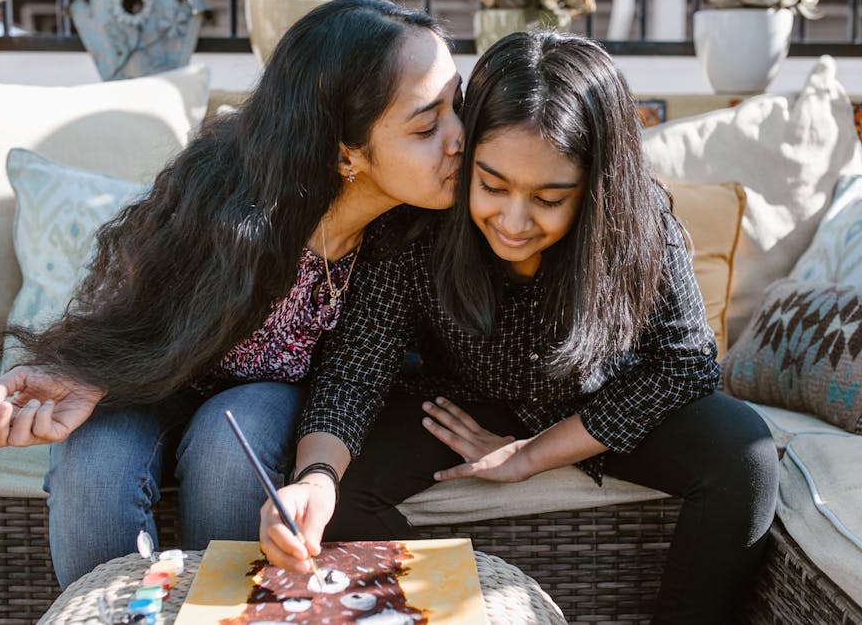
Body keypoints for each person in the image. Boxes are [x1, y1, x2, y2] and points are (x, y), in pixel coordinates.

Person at [260, 31, 779, 623]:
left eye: (549, 199)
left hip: (598, 402)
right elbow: (354, 367)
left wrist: (533, 454)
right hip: (464, 404)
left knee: (745, 453)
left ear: (597, 189)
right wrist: (317, 479)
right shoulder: (416, 225)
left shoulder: (640, 220)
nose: (513, 221)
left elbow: (685, 361)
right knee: (339, 500)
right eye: (492, 185)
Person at [0, 0, 464, 589]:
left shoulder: (409, 232)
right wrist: (82, 374)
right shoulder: (228, 193)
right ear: (345, 152)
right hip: (153, 380)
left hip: (261, 402)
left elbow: (352, 376)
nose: (459, 137)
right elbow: (141, 318)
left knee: (229, 449)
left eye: (455, 106)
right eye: (426, 123)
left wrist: (315, 477)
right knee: (92, 465)